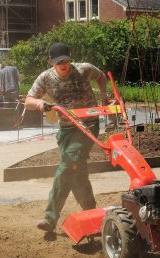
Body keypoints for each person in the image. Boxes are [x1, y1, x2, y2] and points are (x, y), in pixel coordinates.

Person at [25, 42, 109, 232]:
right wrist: (41, 105)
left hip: (88, 124)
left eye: (66, 61)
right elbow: (29, 101)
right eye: (58, 62)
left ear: (70, 59)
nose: (63, 65)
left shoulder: (84, 69)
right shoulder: (45, 78)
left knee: (67, 165)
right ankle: (92, 214)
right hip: (66, 129)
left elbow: (101, 77)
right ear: (50, 62)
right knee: (76, 171)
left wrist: (104, 96)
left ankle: (50, 217)